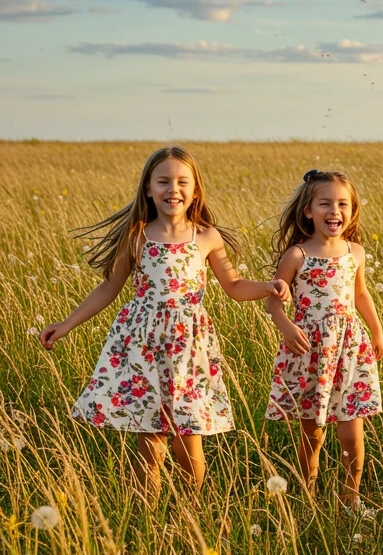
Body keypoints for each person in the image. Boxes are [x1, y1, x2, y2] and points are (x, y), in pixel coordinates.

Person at [40, 146, 289, 500]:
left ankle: (194, 514)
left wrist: (267, 286)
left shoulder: (206, 236)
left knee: (190, 440)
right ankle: (149, 519)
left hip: (190, 349)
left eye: (182, 181)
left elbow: (233, 286)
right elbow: (109, 288)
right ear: (148, 189)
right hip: (145, 347)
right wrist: (66, 324)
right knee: (151, 440)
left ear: (195, 190)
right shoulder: (137, 235)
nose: (173, 188)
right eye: (163, 181)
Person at [265, 168, 383, 511]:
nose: (335, 211)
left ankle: (351, 499)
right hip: (311, 352)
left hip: (349, 349)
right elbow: (274, 301)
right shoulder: (297, 255)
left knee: (352, 434)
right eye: (325, 203)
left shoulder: (355, 252)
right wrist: (286, 326)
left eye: (342, 204)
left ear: (352, 210)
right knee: (313, 435)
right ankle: (309, 499)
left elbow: (360, 294)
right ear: (308, 210)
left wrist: (376, 331)